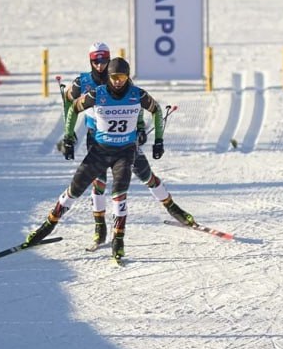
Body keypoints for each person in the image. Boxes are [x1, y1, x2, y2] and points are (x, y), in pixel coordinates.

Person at [27, 56, 166, 262]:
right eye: (114, 77)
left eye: (122, 77)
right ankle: (45, 228)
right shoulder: (97, 94)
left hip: (125, 153)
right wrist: (68, 136)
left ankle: (118, 242)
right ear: (108, 77)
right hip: (99, 152)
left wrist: (158, 141)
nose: (118, 81)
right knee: (73, 191)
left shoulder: (137, 94)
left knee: (119, 195)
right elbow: (74, 108)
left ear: (127, 76)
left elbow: (157, 111)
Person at [61, 43, 194, 247]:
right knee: (99, 182)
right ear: (90, 60)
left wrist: (140, 127)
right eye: (96, 61)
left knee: (144, 173)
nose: (100, 65)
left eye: (104, 60)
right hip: (96, 137)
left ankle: (173, 208)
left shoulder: (119, 77)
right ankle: (100, 226)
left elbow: (136, 104)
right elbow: (68, 101)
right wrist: (68, 135)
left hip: (125, 139)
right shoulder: (82, 82)